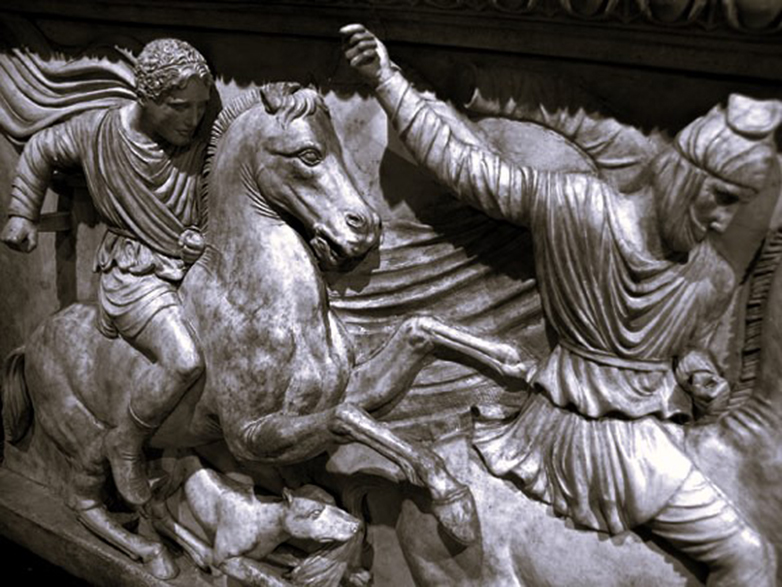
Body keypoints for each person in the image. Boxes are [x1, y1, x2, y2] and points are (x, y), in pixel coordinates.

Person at [341, 23, 780, 586]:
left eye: (736, 205)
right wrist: (386, 81)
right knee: (748, 558)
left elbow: (674, 346)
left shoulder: (694, 265)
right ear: (685, 175)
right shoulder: (581, 210)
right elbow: (468, 171)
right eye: (721, 197)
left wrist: (690, 368)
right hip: (617, 444)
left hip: (595, 428)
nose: (722, 220)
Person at [1, 38, 214, 507]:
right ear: (146, 97)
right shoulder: (98, 133)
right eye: (180, 107)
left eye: (201, 107)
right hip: (134, 272)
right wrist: (21, 214)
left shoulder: (200, 140)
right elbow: (41, 149)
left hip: (196, 268)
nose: (193, 119)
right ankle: (126, 444)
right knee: (184, 360)